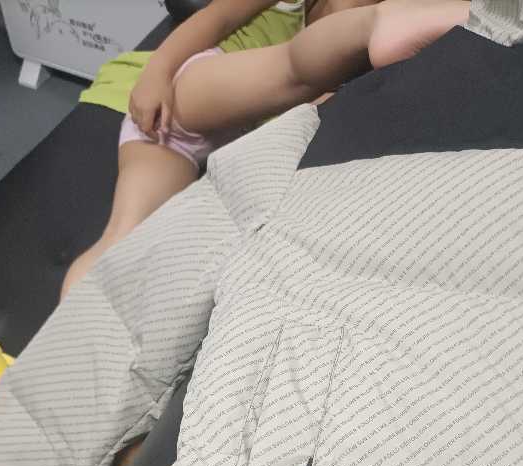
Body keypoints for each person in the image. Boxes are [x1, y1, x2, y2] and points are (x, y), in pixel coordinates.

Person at [62, 0, 470, 296]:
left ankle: (60, 369)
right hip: (191, 98)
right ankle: (371, 24)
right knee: (292, 69)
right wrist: (157, 72)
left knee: (128, 245)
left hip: (245, 137)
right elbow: (217, 16)